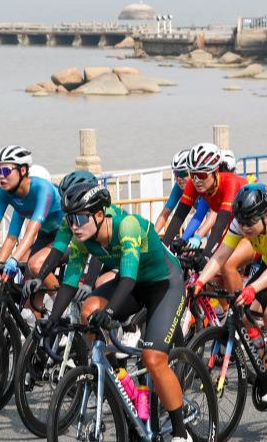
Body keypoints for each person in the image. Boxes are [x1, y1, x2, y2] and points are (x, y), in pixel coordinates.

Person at [33, 182, 191, 442]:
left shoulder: (125, 225)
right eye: (70, 219)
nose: (73, 225)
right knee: (88, 311)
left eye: (80, 218)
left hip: (164, 284)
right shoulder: (83, 238)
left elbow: (127, 279)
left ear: (98, 215)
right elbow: (70, 282)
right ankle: (117, 379)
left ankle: (181, 433)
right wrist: (51, 319)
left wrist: (111, 311)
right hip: (135, 284)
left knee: (153, 359)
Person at [0, 146, 63, 287]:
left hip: (67, 234)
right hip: (46, 235)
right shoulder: (9, 194)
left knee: (35, 265)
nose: (1, 176)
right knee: (26, 277)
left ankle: (64, 304)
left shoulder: (43, 189)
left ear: (23, 171)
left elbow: (31, 232)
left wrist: (12, 260)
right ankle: (36, 307)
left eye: (5, 171)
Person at [162, 143, 248, 256]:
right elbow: (179, 217)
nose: (196, 180)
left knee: (225, 264)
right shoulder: (195, 184)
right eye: (192, 174)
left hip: (254, 224)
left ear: (215, 171)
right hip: (236, 224)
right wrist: (163, 248)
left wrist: (206, 255)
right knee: (217, 261)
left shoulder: (230, 183)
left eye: (201, 175)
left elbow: (220, 223)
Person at [193, 183, 267, 313]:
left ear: (265, 216)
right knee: (247, 318)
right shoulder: (241, 223)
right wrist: (200, 281)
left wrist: (253, 288)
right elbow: (220, 256)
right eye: (241, 222)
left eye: (250, 222)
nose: (245, 227)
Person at [154, 150, 211, 245]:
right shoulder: (179, 186)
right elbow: (168, 213)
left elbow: (208, 215)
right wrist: (154, 237)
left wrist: (197, 237)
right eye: (175, 173)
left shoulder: (204, 184)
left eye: (182, 173)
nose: (178, 178)